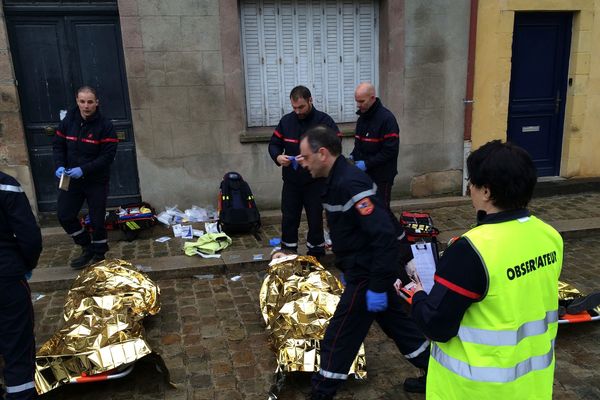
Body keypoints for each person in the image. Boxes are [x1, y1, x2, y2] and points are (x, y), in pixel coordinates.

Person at [410, 140, 563, 399]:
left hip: (474, 391)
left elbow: (437, 325)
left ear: (487, 192)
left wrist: (417, 295)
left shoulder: (471, 250)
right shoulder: (549, 236)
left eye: (472, 182)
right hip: (532, 387)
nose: (469, 188)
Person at [298, 125, 429, 400]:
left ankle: (321, 393)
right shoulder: (337, 180)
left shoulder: (349, 183)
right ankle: (437, 372)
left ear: (322, 154)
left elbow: (384, 236)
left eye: (305, 156)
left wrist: (378, 285)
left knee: (339, 338)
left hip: (369, 274)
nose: (303, 162)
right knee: (403, 331)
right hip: (364, 271)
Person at [268, 85, 340, 258]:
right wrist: (278, 157)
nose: (298, 111)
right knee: (289, 218)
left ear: (310, 100)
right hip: (292, 182)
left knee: (315, 219)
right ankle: (288, 252)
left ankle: (316, 254)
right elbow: (274, 144)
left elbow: (335, 148)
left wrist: (312, 158)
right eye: (294, 108)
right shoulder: (286, 121)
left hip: (315, 182)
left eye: (301, 107)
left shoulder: (325, 121)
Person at [53, 86, 118, 269]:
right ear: (77, 101)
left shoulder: (105, 126)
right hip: (71, 180)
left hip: (96, 180)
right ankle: (86, 247)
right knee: (65, 215)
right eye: (82, 101)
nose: (86, 106)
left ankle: (100, 253)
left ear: (97, 102)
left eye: (90, 102)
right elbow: (58, 145)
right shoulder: (68, 121)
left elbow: (107, 156)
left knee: (97, 220)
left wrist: (84, 169)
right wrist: (59, 165)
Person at [0, 171, 42, 400]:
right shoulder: (5, 185)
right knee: (17, 347)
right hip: (5, 277)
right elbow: (30, 236)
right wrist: (26, 264)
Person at [350, 82, 399, 211]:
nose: (358, 105)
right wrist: (353, 156)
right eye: (356, 101)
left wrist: (367, 163)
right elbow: (358, 144)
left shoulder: (387, 119)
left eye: (361, 101)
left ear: (372, 98)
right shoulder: (362, 118)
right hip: (364, 175)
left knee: (381, 210)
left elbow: (390, 151)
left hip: (382, 176)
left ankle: (391, 231)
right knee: (365, 210)